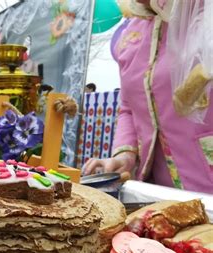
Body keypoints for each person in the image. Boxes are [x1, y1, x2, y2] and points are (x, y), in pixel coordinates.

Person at [83, 0, 213, 194]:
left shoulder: (205, 15)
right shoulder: (129, 36)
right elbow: (128, 106)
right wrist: (124, 155)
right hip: (157, 190)